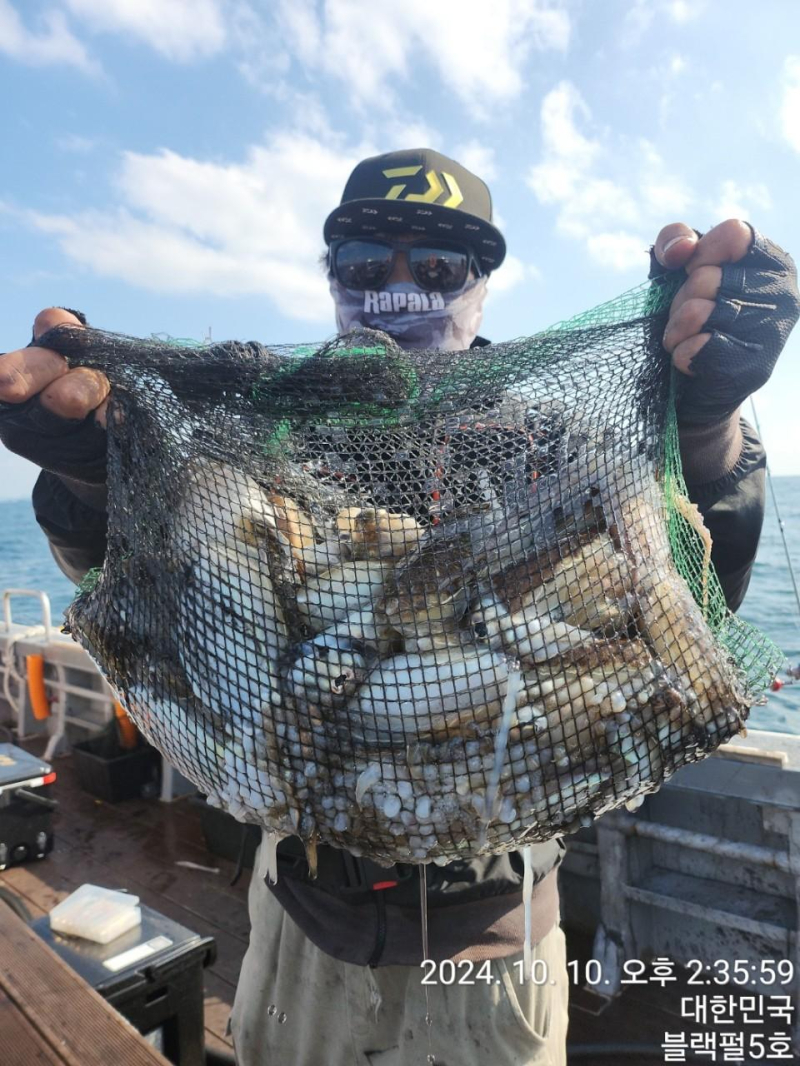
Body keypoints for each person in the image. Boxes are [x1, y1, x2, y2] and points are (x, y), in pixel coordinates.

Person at [0, 148, 798, 1066]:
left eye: (441, 267)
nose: (402, 288)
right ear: (334, 281)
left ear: (483, 286)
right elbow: (147, 593)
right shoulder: (263, 439)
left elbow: (691, 598)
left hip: (494, 953)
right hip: (299, 922)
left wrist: (704, 426)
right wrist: (88, 476)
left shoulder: (554, 440)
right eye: (368, 266)